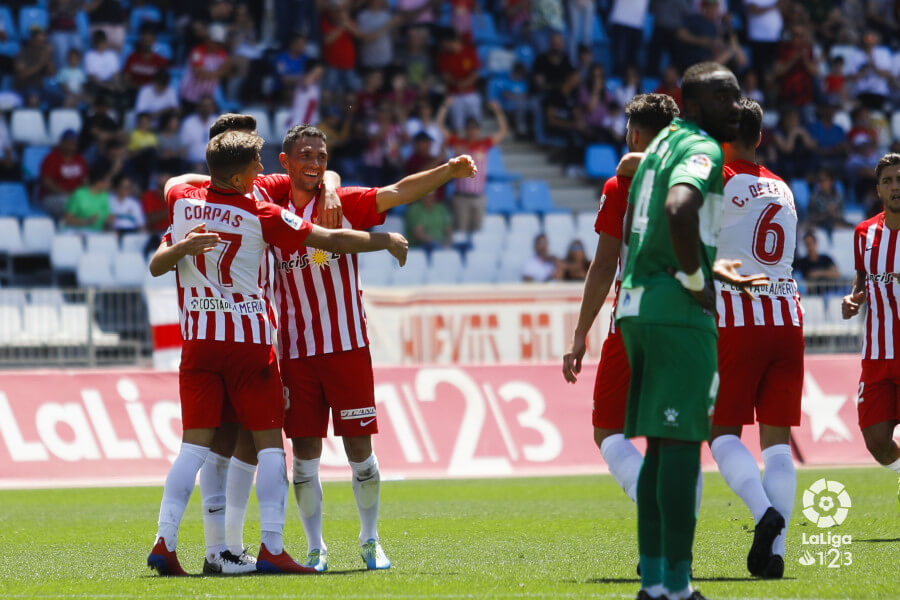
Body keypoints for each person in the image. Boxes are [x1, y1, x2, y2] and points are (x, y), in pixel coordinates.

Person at [145, 129, 409, 576]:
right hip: (249, 343)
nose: (262, 170)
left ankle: (174, 543)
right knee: (269, 447)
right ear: (242, 170)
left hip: (198, 343)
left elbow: (158, 257)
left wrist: (326, 182)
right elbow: (332, 240)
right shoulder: (259, 211)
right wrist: (384, 240)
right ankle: (271, 547)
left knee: (198, 449)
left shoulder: (183, 201)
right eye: (256, 164)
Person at [249, 124, 477, 571]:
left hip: (347, 348)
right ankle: (316, 548)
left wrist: (447, 172)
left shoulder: (342, 201)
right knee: (305, 461)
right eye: (307, 156)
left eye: (322, 156)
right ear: (286, 162)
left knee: (361, 455)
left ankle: (370, 539)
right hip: (296, 353)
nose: (316, 164)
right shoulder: (268, 207)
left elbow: (396, 192)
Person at [615, 62, 740, 600]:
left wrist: (706, 265)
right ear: (696, 103)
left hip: (638, 302)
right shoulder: (703, 150)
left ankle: (653, 580)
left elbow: (637, 227)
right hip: (674, 311)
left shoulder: (659, 145)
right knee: (684, 442)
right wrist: (694, 278)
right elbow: (680, 207)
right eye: (726, 98)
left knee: (661, 449)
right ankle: (678, 587)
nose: (737, 107)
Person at [562, 94, 680, 510]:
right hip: (688, 321)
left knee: (608, 430)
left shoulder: (622, 184)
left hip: (634, 318)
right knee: (673, 436)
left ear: (632, 133)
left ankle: (652, 506)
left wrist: (580, 334)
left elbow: (604, 264)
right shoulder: (699, 176)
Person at [711, 98, 803, 580]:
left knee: (722, 432)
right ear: (760, 137)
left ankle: (763, 512)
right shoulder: (783, 188)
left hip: (738, 319)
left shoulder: (719, 179)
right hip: (788, 318)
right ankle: (776, 553)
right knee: (778, 446)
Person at [841, 152, 900, 512]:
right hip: (877, 355)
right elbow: (862, 278)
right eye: (889, 181)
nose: (896, 186)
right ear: (878, 190)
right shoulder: (864, 232)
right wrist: (853, 299)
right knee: (876, 441)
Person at [437, 99, 509, 233]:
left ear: (478, 130)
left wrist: (498, 112)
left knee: (478, 234)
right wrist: (445, 107)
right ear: (466, 130)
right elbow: (440, 127)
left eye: (474, 128)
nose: (471, 131)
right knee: (460, 231)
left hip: (478, 196)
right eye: (469, 128)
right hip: (461, 197)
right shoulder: (458, 143)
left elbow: (503, 131)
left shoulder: (484, 144)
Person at [40, 130, 88, 219]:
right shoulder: (52, 158)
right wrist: (66, 193)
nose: (71, 146)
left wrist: (82, 195)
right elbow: (47, 183)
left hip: (75, 197)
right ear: (62, 143)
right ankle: (67, 227)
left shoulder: (79, 159)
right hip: (53, 197)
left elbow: (85, 181)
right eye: (68, 143)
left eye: (74, 143)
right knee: (68, 203)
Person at [64, 163, 113, 232]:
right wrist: (86, 221)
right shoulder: (79, 194)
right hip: (75, 232)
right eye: (107, 182)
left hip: (96, 234)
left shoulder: (104, 196)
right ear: (99, 181)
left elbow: (107, 216)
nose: (109, 184)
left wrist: (110, 219)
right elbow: (67, 219)